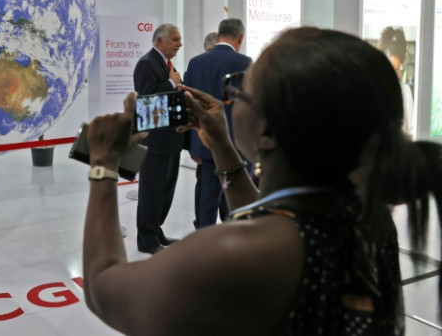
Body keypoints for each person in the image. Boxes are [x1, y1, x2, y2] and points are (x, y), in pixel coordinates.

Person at [81, 27, 442, 335]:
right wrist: (222, 144)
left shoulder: (236, 254)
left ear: (267, 132)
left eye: (239, 87)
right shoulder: (366, 215)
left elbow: (103, 289)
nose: (229, 98)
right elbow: (272, 219)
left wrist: (104, 164)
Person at [183, 18, 252, 228]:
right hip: (235, 147)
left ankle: (204, 243)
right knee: (235, 196)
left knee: (207, 198)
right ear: (240, 38)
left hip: (204, 144)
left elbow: (188, 105)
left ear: (219, 35)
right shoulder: (245, 64)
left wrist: (192, 145)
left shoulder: (196, 63)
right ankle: (233, 240)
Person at [132, 23, 183, 254]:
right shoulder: (146, 64)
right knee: (152, 191)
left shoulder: (165, 64)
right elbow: (147, 102)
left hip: (170, 141)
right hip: (155, 143)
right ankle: (146, 239)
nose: (179, 44)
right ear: (159, 41)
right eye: (175, 39)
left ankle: (155, 230)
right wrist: (172, 83)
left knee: (165, 191)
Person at [378, 27, 415, 135]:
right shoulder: (374, 88)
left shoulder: (405, 91)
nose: (393, 76)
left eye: (397, 71)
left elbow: (411, 128)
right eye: (389, 69)